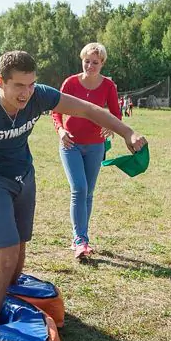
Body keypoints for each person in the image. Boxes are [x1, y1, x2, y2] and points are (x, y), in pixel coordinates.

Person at [0, 50, 146, 326]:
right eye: (19, 86)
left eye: (31, 84)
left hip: (23, 175)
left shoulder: (39, 96)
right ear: (0, 81)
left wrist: (127, 132)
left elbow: (88, 109)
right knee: (7, 253)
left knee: (21, 246)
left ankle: (9, 294)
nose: (26, 93)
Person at [50, 42, 122, 259]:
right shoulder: (71, 83)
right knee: (79, 188)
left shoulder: (108, 86)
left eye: (95, 63)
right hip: (70, 143)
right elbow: (56, 111)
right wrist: (61, 130)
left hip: (95, 146)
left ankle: (81, 236)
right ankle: (80, 239)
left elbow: (116, 114)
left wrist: (111, 126)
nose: (90, 66)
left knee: (88, 192)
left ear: (102, 64)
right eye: (87, 61)